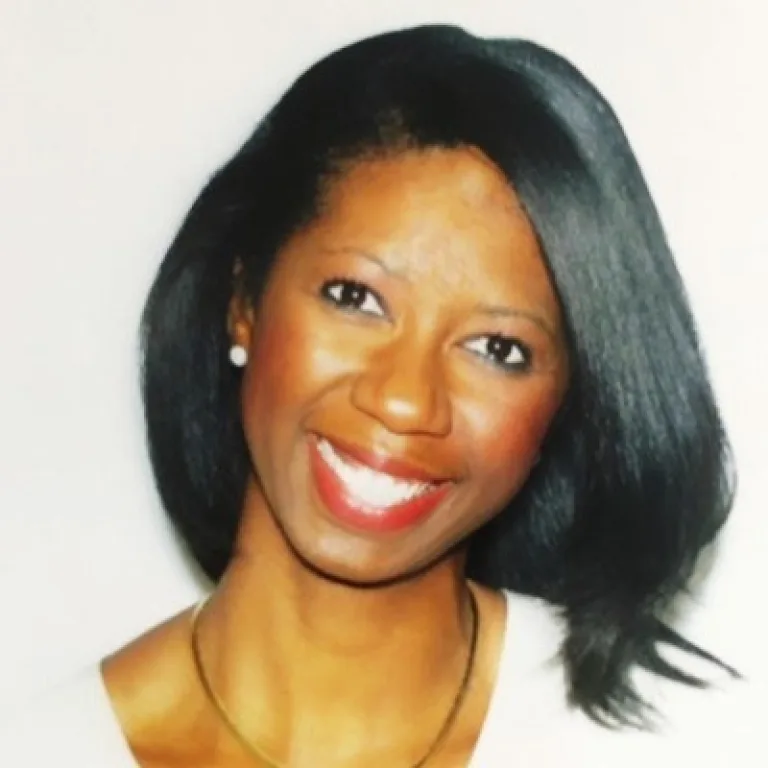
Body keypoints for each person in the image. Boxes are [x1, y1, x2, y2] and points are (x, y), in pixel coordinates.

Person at [2, 23, 750, 767]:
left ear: (565, 406)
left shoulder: (691, 740)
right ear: (244, 300)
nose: (404, 402)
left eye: (498, 349)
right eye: (355, 297)